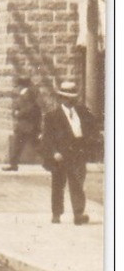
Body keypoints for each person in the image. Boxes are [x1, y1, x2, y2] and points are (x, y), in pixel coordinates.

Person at [42, 80, 100, 225]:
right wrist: (54, 152)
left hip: (78, 152)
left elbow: (93, 127)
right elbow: (47, 138)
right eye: (67, 97)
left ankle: (78, 214)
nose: (71, 100)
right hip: (61, 155)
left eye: (73, 97)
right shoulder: (52, 116)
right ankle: (56, 213)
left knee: (77, 184)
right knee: (58, 185)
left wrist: (89, 144)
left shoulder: (82, 112)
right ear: (61, 98)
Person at [4, 76, 41, 171]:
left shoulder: (29, 94)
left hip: (29, 125)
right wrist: (15, 112)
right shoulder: (23, 93)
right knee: (19, 145)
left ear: (22, 85)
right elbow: (17, 106)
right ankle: (13, 164)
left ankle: (52, 162)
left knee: (36, 145)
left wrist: (19, 113)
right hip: (23, 125)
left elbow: (31, 108)